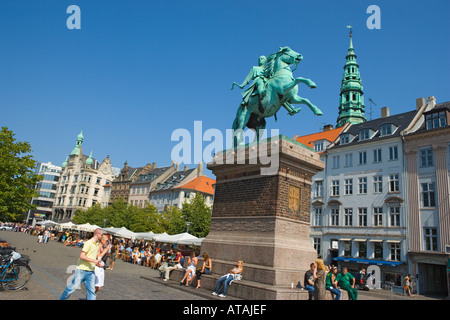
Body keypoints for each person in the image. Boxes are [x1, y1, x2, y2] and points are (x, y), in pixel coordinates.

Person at [60, 228, 104, 300]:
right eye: (102, 235)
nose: (102, 236)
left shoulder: (97, 244)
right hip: (82, 270)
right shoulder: (89, 243)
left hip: (91, 271)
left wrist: (99, 261)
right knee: (71, 288)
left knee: (91, 292)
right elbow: (82, 256)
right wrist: (94, 261)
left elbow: (93, 255)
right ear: (97, 234)